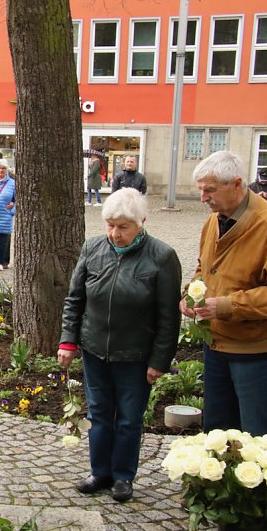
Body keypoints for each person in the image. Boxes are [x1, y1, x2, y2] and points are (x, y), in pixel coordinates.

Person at [57, 188, 182, 503]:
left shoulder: (162, 257)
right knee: (99, 413)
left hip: (135, 354)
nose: (115, 233)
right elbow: (75, 299)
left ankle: (123, 476)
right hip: (95, 348)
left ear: (142, 221)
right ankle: (100, 472)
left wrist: (159, 361)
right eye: (110, 225)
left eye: (123, 226)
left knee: (128, 418)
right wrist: (68, 340)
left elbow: (168, 317)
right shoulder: (93, 247)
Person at [179, 151, 267, 435]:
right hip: (216, 345)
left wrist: (227, 306)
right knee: (217, 431)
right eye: (200, 190)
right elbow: (203, 268)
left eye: (209, 190)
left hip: (255, 351)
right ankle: (217, 481)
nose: (203, 197)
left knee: (257, 435)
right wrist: (190, 296)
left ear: (236, 184)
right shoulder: (213, 221)